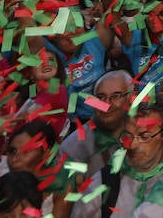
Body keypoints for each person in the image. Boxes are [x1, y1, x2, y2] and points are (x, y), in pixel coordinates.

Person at [56, 69, 136, 218]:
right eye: (100, 97)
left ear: (131, 97)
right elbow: (63, 203)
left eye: (115, 96)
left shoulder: (146, 133)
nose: (106, 104)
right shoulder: (74, 146)